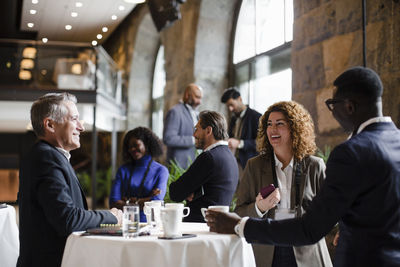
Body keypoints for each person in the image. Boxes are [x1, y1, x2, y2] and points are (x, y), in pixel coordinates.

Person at [206, 67, 400, 266]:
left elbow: (310, 228)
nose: (333, 114)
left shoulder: (349, 153)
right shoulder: (395, 142)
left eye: (332, 105)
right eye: (269, 124)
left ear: (349, 106)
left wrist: (239, 225)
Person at [17, 93, 122, 267]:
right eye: (74, 119)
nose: (81, 127)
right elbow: (68, 219)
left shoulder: (48, 155)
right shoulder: (46, 158)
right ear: (50, 124)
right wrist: (110, 216)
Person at [235, 101, 332, 267]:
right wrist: (259, 208)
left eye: (280, 124)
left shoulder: (315, 166)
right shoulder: (254, 166)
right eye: (269, 124)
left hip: (306, 249)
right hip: (268, 248)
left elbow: (330, 211)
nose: (273, 129)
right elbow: (238, 213)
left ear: (295, 128)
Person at [169, 110, 238, 222]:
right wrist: (194, 191)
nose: (194, 134)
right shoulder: (229, 156)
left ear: (208, 131)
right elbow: (212, 188)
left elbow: (175, 192)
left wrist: (188, 191)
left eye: (197, 129)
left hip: (198, 227)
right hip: (216, 224)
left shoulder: (209, 157)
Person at [109, 127, 169, 222]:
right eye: (129, 147)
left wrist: (127, 201)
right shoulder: (123, 170)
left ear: (147, 144)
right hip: (125, 224)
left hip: (150, 223)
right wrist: (145, 200)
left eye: (136, 145)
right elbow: (113, 203)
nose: (132, 149)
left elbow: (156, 202)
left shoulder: (161, 171)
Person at [163, 83, 203, 169]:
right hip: (178, 167)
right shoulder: (175, 112)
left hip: (192, 164)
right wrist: (194, 140)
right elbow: (168, 138)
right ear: (187, 95)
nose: (200, 102)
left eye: (201, 98)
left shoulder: (197, 113)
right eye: (197, 97)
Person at [221, 88, 261, 172]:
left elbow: (261, 142)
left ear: (240, 99)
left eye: (231, 105)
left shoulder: (256, 116)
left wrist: (240, 143)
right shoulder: (233, 118)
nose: (230, 109)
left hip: (249, 164)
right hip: (233, 162)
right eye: (228, 106)